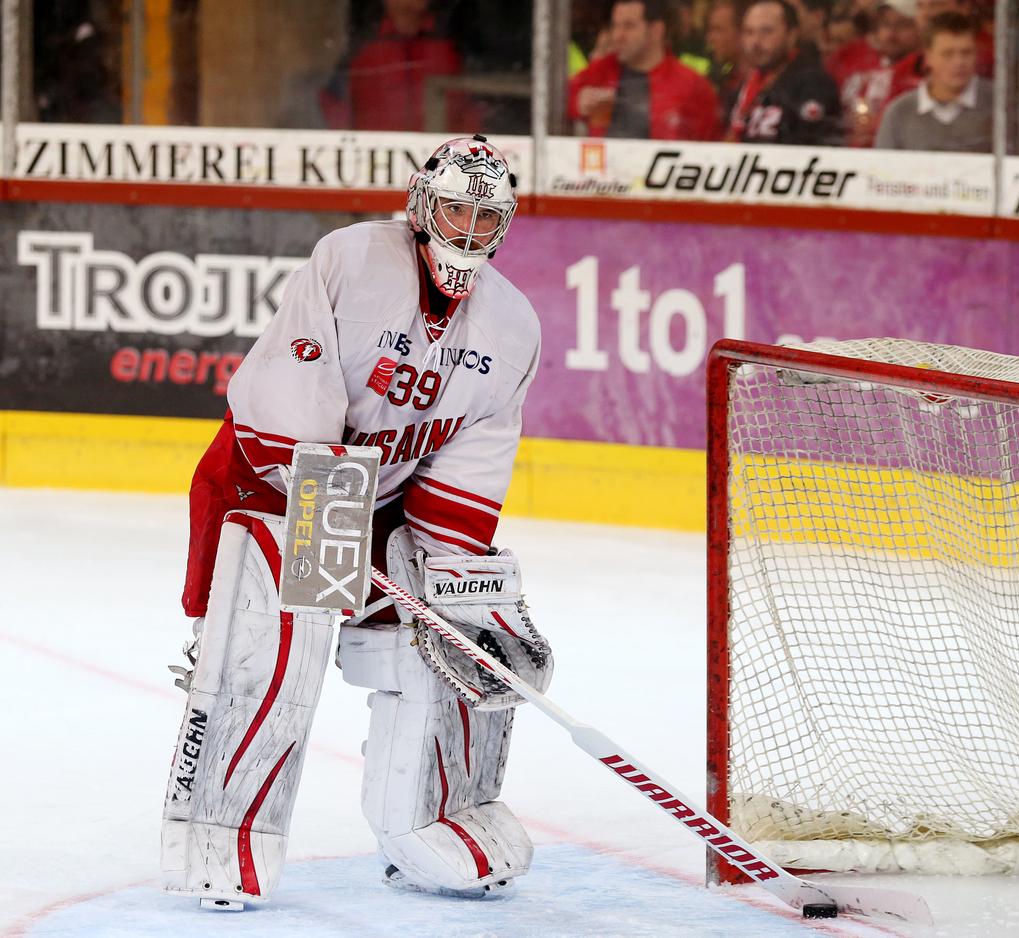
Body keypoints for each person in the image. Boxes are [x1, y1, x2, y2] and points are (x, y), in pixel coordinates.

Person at [161, 136, 553, 907]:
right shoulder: (350, 260)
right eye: (454, 211)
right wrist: (330, 522)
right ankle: (220, 833)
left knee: (444, 639)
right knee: (266, 656)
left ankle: (432, 821)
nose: (468, 233)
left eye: (486, 218)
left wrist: (449, 584)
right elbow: (289, 409)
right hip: (270, 485)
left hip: (385, 501)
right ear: (419, 205)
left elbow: (467, 475)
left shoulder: (513, 326)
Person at [567, 0, 722, 140]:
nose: (617, 35)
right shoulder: (599, 72)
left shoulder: (692, 86)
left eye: (628, 26)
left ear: (656, 31)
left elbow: (710, 146)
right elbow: (554, 103)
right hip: (604, 168)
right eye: (615, 26)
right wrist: (577, 103)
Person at [320, 0, 466, 131]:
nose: (408, 3)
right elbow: (334, 107)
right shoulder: (362, 48)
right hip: (374, 154)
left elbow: (470, 112)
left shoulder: (449, 47)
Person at [875, 11, 993, 151]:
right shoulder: (899, 113)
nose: (959, 62)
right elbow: (881, 170)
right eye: (947, 54)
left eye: (966, 53)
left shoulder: (1001, 106)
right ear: (928, 57)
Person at [729, 0, 843, 144]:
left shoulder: (813, 83)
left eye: (766, 31)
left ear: (792, 35)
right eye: (749, 32)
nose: (755, 42)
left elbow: (810, 145)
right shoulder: (742, 87)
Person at [829, 0, 922, 146]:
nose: (891, 34)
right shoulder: (851, 58)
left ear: (920, 27)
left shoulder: (923, 73)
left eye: (902, 25)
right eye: (885, 24)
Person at [705, 0, 747, 123]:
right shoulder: (725, 82)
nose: (710, 38)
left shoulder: (764, 85)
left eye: (718, 30)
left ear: (741, 33)